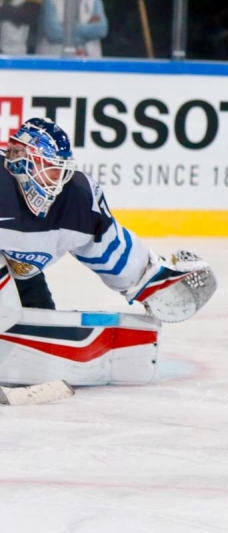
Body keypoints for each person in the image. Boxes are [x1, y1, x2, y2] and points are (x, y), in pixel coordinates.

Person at [0, 117, 216, 385]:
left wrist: (155, 282)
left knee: (41, 329)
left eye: (60, 171)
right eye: (51, 170)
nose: (57, 181)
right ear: (21, 160)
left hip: (24, 276)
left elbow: (113, 252)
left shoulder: (77, 199)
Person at [36, 0, 107, 57]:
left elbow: (101, 29)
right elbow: (54, 33)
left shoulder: (94, 1)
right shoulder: (50, 1)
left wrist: (67, 28)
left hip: (89, 62)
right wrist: (88, 31)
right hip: (55, 62)